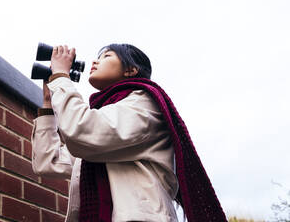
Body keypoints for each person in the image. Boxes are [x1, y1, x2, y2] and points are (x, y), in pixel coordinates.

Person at [31, 44, 226, 222]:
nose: (95, 61)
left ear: (131, 70)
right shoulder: (102, 135)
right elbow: (49, 162)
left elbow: (81, 129)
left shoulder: (145, 103)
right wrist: (48, 103)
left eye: (106, 56)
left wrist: (61, 77)